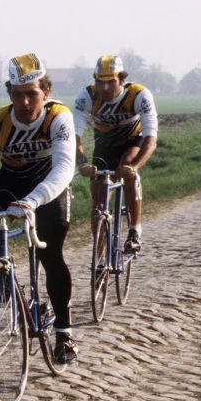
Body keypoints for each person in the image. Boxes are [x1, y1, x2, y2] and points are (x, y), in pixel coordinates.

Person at [0, 53, 78, 363]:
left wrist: (33, 201)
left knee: (51, 255)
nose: (24, 102)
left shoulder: (58, 117)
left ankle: (64, 333)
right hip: (11, 180)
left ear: (45, 93)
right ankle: (4, 273)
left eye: (31, 94)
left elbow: (63, 168)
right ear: (9, 94)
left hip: (47, 186)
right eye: (17, 94)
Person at [73, 55, 158, 254]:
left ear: (122, 80)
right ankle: (100, 257)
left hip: (132, 141)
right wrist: (82, 162)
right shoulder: (86, 96)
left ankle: (134, 231)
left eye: (110, 82)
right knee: (98, 196)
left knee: (127, 165)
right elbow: (74, 136)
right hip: (105, 145)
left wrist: (135, 167)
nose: (104, 88)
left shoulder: (139, 95)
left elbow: (150, 140)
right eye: (99, 82)